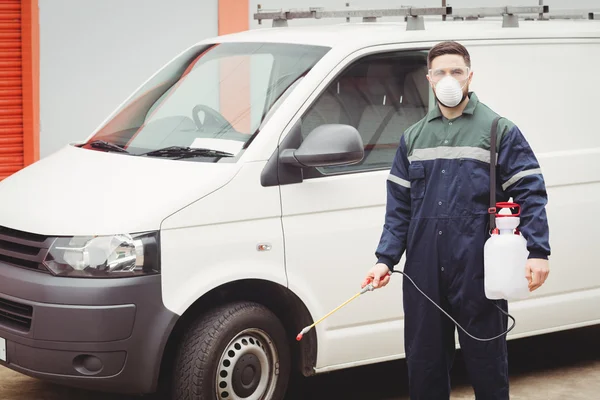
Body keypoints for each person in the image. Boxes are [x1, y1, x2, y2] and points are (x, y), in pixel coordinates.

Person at [362, 41, 551, 400]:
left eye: (457, 71)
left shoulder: (498, 130)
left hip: (479, 266)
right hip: (423, 270)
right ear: (429, 78)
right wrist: (384, 259)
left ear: (470, 76)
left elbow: (531, 192)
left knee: (487, 363)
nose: (449, 79)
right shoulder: (414, 137)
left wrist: (538, 251)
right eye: (441, 72)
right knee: (425, 363)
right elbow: (399, 208)